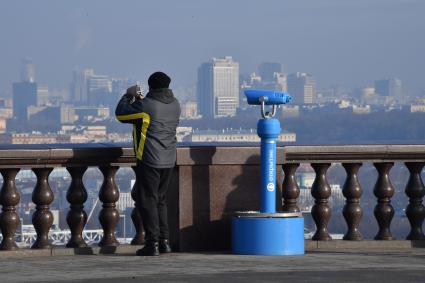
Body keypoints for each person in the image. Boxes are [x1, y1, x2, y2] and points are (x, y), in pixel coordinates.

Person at [115, 72, 181, 256]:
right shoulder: (175, 105)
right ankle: (164, 242)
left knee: (147, 201)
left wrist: (128, 95)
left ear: (150, 86)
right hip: (169, 159)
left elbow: (121, 114)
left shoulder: (147, 106)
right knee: (160, 200)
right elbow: (153, 113)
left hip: (150, 159)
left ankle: (152, 244)